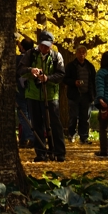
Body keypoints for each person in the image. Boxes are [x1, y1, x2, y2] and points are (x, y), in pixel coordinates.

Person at [20, 31, 66, 162]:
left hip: (51, 95)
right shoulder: (30, 54)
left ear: (51, 45)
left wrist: (48, 78)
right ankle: (41, 153)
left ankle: (59, 152)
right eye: (42, 45)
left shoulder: (57, 56)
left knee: (55, 124)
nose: (44, 48)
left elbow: (61, 74)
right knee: (37, 124)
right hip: (33, 94)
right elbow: (20, 70)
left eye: (47, 46)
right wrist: (31, 70)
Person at [63, 45, 95, 143]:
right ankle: (71, 134)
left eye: (83, 52)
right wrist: (74, 82)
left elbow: (94, 80)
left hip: (86, 95)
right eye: (79, 52)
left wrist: (94, 95)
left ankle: (84, 137)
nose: (81, 54)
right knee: (73, 116)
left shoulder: (90, 66)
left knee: (85, 117)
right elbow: (65, 79)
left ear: (86, 54)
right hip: (74, 95)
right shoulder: (71, 66)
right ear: (76, 53)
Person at [15, 37, 35, 148]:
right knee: (29, 114)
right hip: (31, 89)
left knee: (23, 115)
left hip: (21, 89)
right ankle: (23, 139)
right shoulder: (33, 58)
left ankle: (31, 137)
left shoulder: (18, 60)